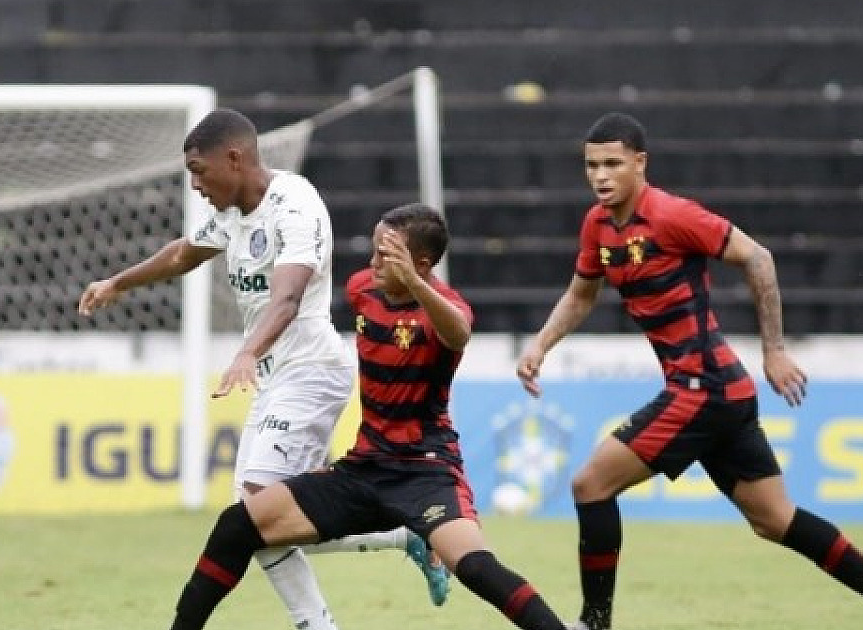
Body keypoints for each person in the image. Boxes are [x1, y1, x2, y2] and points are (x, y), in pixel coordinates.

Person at [515, 112, 863, 630]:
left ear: (640, 164)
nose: (601, 175)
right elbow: (583, 292)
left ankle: (594, 623)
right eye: (591, 165)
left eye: (613, 164)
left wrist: (775, 352)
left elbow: (757, 258)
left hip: (703, 389)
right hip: (720, 392)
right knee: (774, 520)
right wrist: (541, 344)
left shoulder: (672, 215)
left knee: (590, 484)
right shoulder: (597, 225)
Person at [77, 109, 448, 630]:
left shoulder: (295, 206)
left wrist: (248, 351)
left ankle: (320, 622)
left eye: (199, 170)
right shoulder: (232, 213)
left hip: (310, 372)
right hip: (279, 377)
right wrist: (119, 282)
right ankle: (402, 537)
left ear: (234, 158)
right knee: (260, 519)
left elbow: (289, 296)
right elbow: (185, 252)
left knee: (253, 510)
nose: (195, 184)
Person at [164, 203, 571, 630]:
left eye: (386, 256)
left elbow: (459, 333)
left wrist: (415, 282)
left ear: (423, 264)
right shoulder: (363, 290)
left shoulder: (445, 310)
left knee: (474, 567)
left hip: (424, 472)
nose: (373, 263)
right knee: (237, 524)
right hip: (364, 469)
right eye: (373, 251)